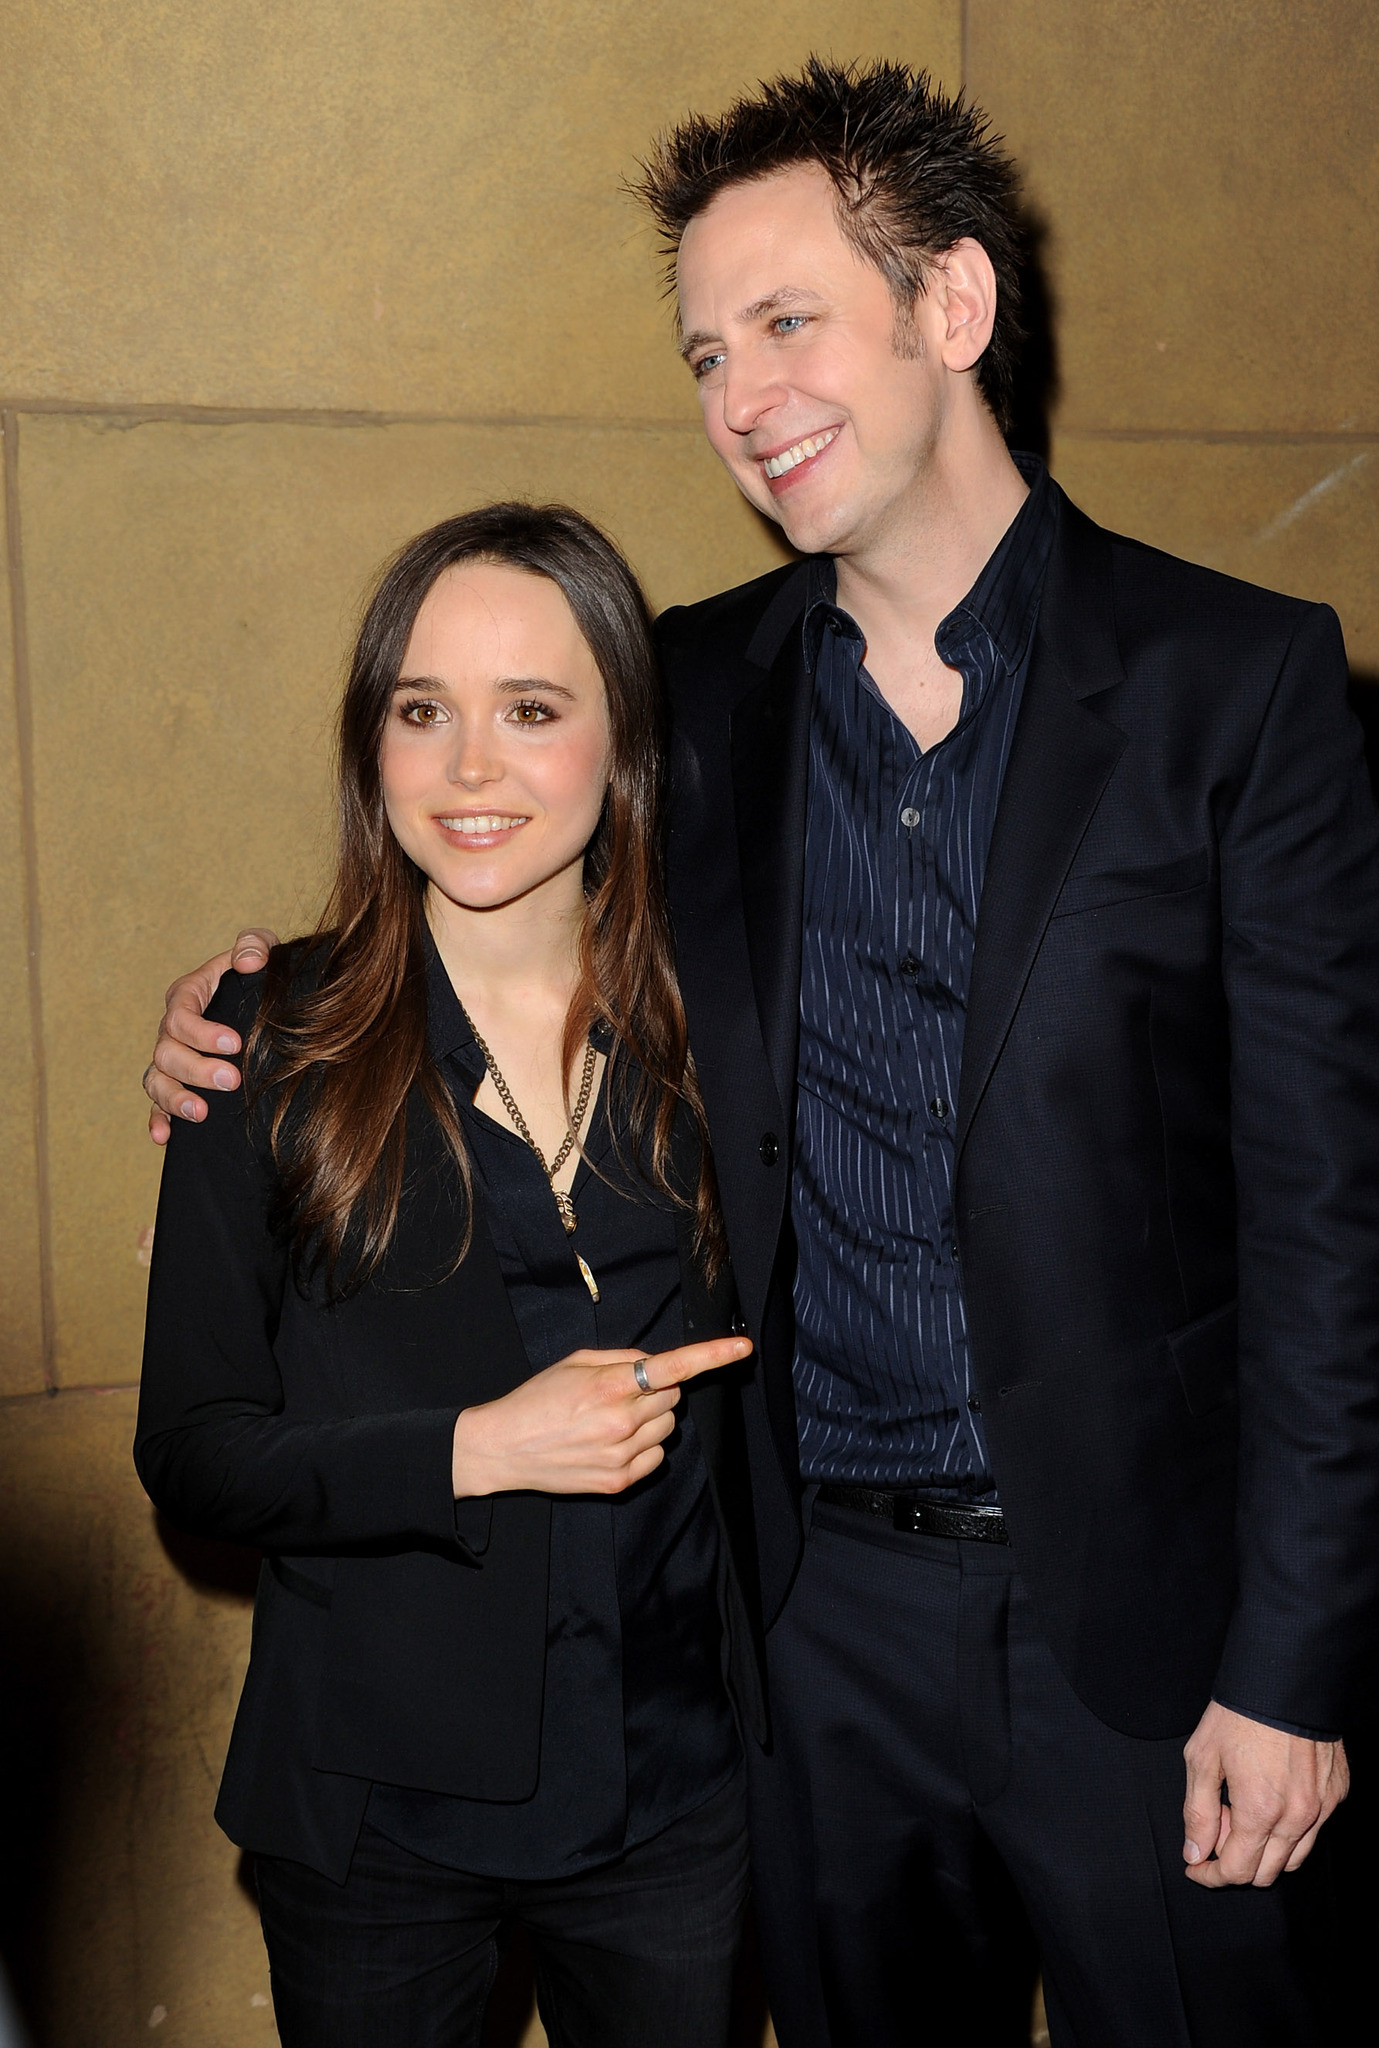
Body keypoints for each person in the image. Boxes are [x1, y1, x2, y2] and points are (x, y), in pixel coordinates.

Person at [143, 60, 1379, 2048]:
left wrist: (1296, 1664)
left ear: (955, 307)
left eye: (788, 321)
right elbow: (480, 854)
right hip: (806, 1621)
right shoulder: (693, 691)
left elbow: (1352, 1234)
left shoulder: (1234, 685)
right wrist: (249, 1014)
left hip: (1153, 1640)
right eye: (706, 350)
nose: (741, 394)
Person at [135, 502, 761, 2048]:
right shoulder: (264, 1037)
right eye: (424, 712)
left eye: (532, 712)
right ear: (375, 748)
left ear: (619, 744)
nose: (471, 768)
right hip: (377, 1817)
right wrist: (480, 1449)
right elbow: (196, 1453)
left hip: (679, 1792)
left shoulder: (721, 1029)